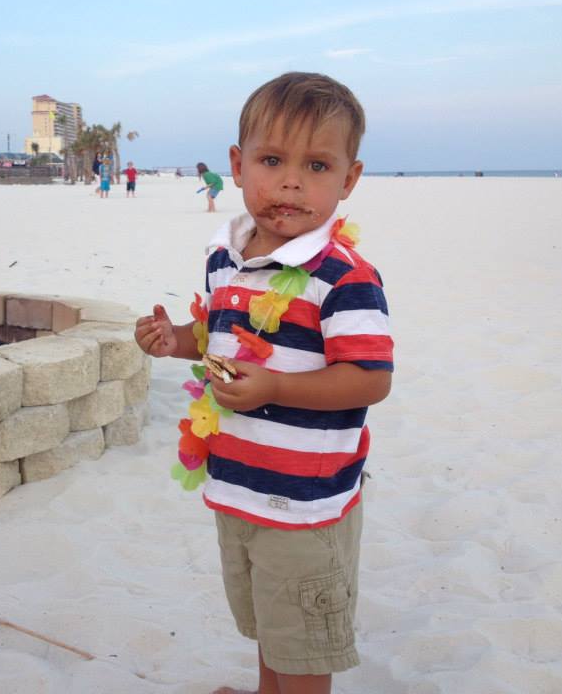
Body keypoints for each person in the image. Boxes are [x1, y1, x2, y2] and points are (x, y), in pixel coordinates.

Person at [134, 72, 393, 694]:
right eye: (271, 159)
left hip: (304, 502)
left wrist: (276, 389)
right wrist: (177, 343)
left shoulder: (343, 276)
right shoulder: (226, 255)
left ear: (349, 179)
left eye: (318, 165)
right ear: (238, 164)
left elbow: (370, 379)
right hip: (238, 484)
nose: (291, 181)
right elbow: (220, 339)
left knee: (302, 647)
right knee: (269, 628)